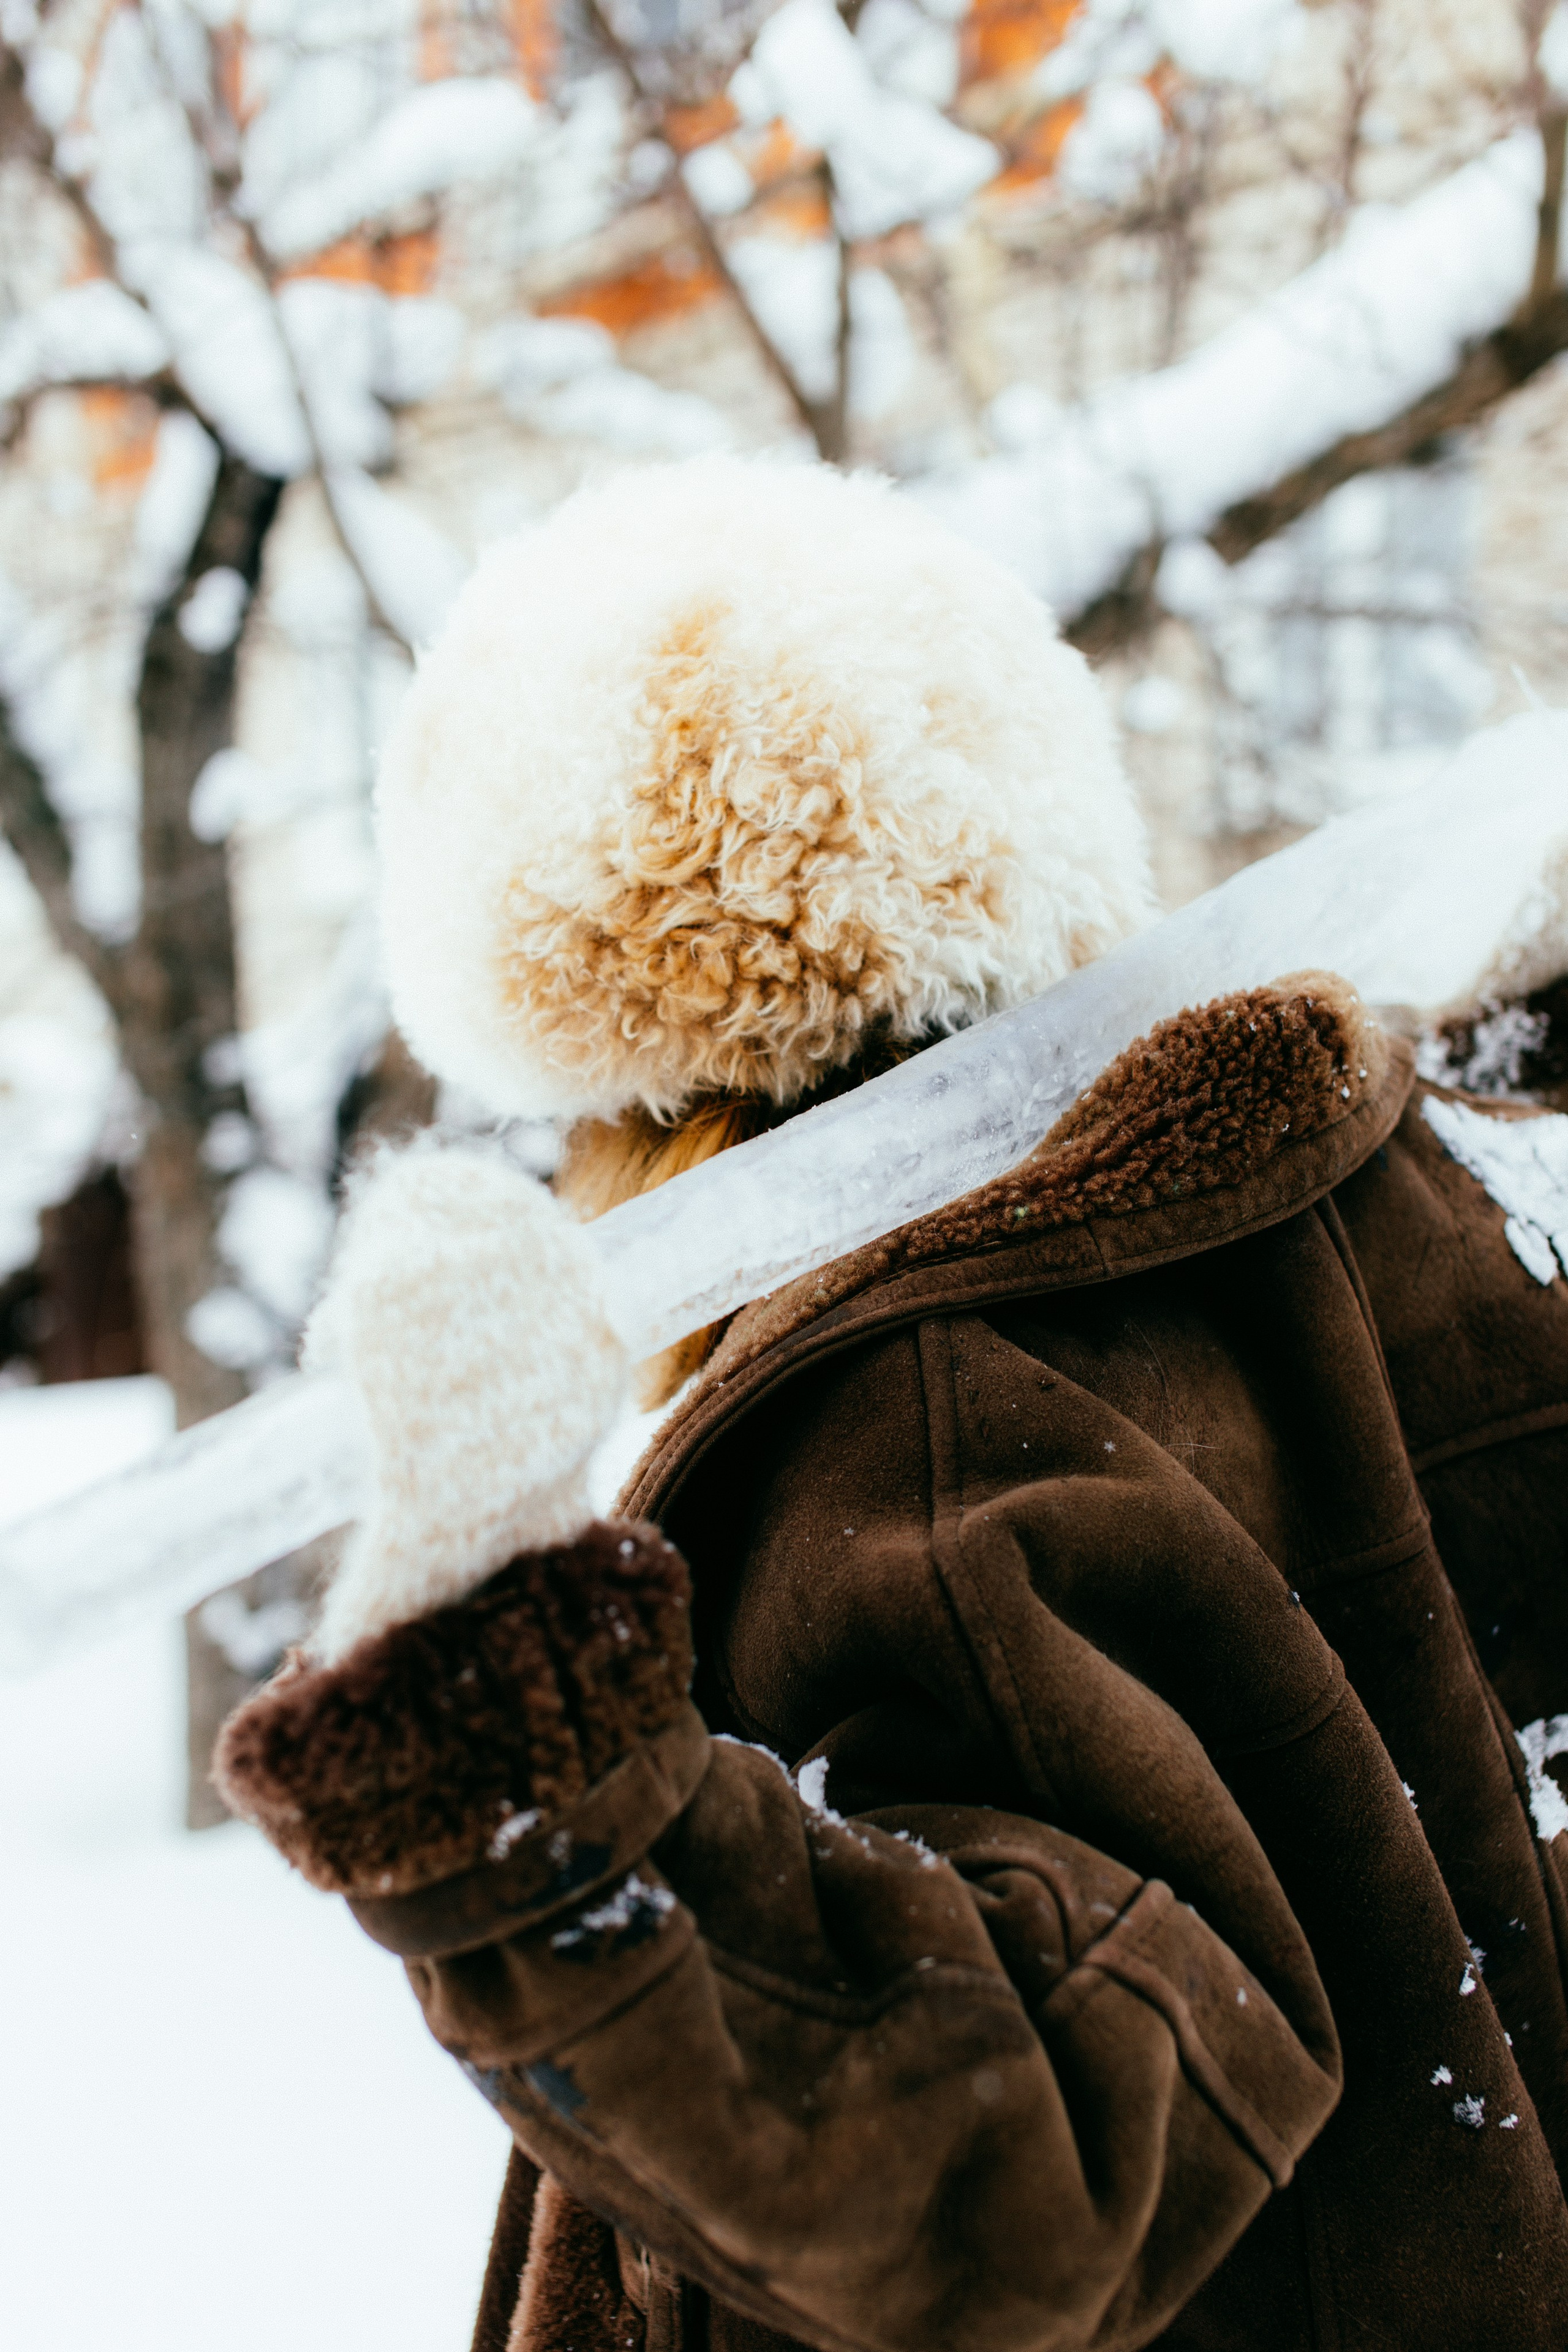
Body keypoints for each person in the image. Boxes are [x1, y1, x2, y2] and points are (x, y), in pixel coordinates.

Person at [217, 458, 1568, 2351]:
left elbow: (1011, 2173)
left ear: (616, 1082)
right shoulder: (1432, 1199)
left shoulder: (915, 1416)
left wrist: (540, 1772)